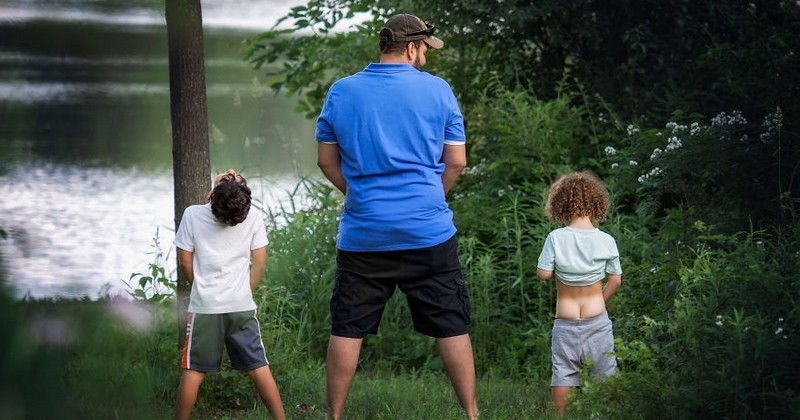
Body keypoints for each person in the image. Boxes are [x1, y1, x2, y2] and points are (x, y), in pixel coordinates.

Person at [315, 13, 479, 420]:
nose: (425, 56)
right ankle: (472, 414)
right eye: (424, 48)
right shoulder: (438, 92)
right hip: (428, 233)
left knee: (347, 326)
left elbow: (325, 161)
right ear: (410, 47)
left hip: (363, 234)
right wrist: (428, 199)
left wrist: (360, 195)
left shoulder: (342, 91)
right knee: (451, 323)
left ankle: (332, 415)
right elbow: (456, 161)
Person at [173, 169, 285, 420]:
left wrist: (199, 286)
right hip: (240, 305)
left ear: (213, 195)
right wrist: (245, 291)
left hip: (204, 307)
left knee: (194, 371)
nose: (231, 172)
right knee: (259, 367)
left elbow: (184, 261)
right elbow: (260, 263)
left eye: (231, 177)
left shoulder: (192, 214)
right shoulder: (252, 216)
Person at [536, 171, 623, 416]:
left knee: (563, 372)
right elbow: (616, 280)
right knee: (606, 372)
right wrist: (601, 302)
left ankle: (560, 416)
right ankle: (610, 415)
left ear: (560, 203)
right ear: (597, 203)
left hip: (565, 320)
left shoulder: (556, 238)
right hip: (597, 318)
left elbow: (543, 274)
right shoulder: (606, 240)